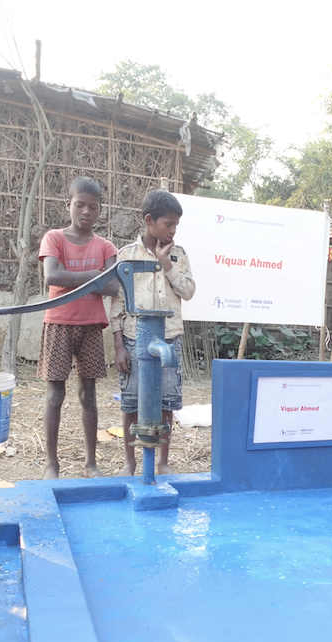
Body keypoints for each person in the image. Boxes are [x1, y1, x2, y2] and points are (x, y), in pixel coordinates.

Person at [109, 189, 195, 476]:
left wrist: (166, 263)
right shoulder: (126, 256)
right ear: (149, 220)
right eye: (168, 224)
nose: (172, 230)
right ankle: (130, 462)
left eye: (176, 225)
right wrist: (120, 346)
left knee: (167, 402)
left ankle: (163, 462)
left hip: (169, 338)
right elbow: (117, 305)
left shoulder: (179, 255)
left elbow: (189, 291)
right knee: (131, 402)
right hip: (135, 339)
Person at [38, 177, 119, 479]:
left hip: (91, 327)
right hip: (58, 323)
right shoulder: (54, 238)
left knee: (88, 395)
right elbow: (52, 276)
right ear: (68, 205)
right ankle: (51, 464)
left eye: (93, 207)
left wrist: (92, 277)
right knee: (54, 396)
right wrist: (94, 274)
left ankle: (90, 463)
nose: (86, 211)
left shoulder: (106, 245)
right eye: (80, 205)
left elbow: (111, 286)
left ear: (100, 210)